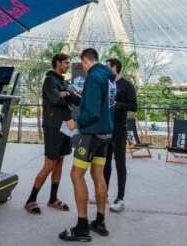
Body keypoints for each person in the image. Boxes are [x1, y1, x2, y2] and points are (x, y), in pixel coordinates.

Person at [59, 48, 116, 242]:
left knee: (76, 174)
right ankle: (100, 221)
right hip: (106, 132)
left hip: (91, 133)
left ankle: (82, 227)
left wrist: (77, 122)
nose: (82, 67)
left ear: (84, 60)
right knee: (98, 174)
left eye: (81, 63)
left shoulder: (92, 77)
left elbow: (91, 112)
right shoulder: (108, 76)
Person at [24, 53, 80, 215]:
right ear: (57, 63)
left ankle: (52, 199)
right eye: (66, 63)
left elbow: (77, 100)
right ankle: (31, 199)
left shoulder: (63, 82)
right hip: (53, 126)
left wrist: (68, 93)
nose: (68, 65)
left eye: (69, 63)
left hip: (66, 125)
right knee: (49, 164)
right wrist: (66, 94)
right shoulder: (50, 80)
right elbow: (56, 100)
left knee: (60, 161)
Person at [100, 58, 137, 213]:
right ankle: (103, 194)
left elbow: (134, 106)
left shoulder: (126, 85)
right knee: (105, 163)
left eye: (107, 67)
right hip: (105, 127)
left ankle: (120, 198)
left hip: (119, 128)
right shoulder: (104, 84)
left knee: (120, 163)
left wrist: (117, 104)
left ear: (114, 68)